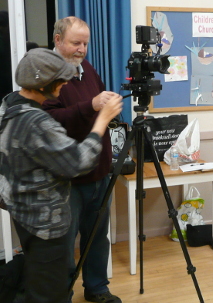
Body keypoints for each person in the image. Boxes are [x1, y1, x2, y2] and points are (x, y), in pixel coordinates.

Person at [0, 48, 122, 303]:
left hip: (24, 215)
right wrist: (102, 121)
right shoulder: (36, 121)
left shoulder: (8, 104)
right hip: (45, 224)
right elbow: (78, 161)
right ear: (43, 84)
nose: (65, 84)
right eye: (60, 80)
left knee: (39, 282)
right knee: (50, 291)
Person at [42, 17, 122, 303]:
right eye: (76, 43)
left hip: (98, 169)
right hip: (67, 177)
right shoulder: (45, 73)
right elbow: (50, 121)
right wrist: (90, 105)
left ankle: (97, 288)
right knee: (63, 244)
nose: (82, 50)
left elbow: (96, 102)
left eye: (86, 43)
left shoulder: (85, 67)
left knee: (98, 237)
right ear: (58, 40)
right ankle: (60, 295)